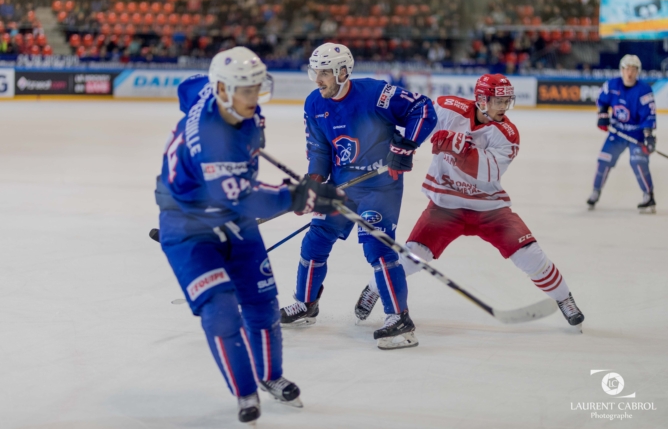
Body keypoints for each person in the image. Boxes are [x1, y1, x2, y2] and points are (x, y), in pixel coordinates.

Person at [154, 47, 345, 424]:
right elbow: (245, 199)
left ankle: (271, 376)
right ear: (223, 90)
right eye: (246, 90)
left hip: (229, 217)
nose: (254, 97)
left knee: (262, 305)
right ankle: (245, 393)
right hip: (190, 228)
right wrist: (300, 196)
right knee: (222, 313)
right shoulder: (211, 139)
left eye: (257, 87)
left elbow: (187, 88)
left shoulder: (217, 94)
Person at [354, 74, 586, 329]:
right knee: (412, 256)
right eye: (498, 101)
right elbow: (417, 118)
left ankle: (565, 299)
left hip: (490, 209)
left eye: (507, 101)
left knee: (530, 255)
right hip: (445, 207)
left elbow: (489, 172)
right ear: (481, 100)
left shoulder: (507, 134)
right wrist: (402, 142)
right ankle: (374, 288)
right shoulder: (447, 107)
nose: (504, 107)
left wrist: (456, 146)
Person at [279, 43, 438, 350]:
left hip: (380, 187)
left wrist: (406, 145)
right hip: (341, 187)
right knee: (314, 241)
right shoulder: (314, 104)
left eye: (324, 72)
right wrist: (314, 180)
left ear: (342, 71)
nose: (318, 79)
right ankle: (306, 304)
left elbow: (423, 109)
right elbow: (319, 148)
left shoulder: (376, 94)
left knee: (377, 248)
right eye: (315, 72)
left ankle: (399, 319)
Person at [587, 54, 657, 213]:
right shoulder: (612, 85)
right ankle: (595, 192)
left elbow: (649, 115)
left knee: (638, 162)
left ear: (638, 71)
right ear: (621, 70)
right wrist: (603, 116)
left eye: (633, 69)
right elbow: (602, 102)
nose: (629, 73)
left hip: (637, 133)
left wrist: (649, 136)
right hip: (617, 132)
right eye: (626, 69)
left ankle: (648, 195)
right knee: (603, 160)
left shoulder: (644, 90)